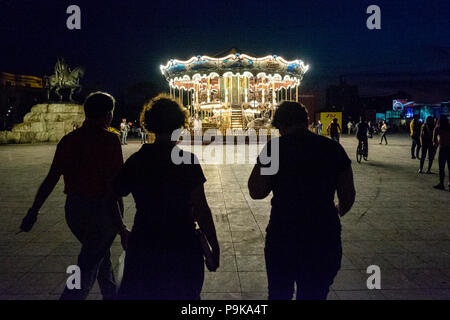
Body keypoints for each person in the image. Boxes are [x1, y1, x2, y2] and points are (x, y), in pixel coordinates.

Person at [19, 92, 128, 300]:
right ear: (108, 114)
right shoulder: (109, 141)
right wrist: (121, 226)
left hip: (74, 211)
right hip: (101, 212)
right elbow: (111, 187)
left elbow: (51, 178)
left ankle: (111, 294)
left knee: (98, 255)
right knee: (86, 265)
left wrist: (33, 211)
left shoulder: (69, 140)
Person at [248, 102, 355, 300]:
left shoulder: (276, 148)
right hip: (323, 234)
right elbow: (348, 195)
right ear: (306, 121)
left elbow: (256, 191)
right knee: (314, 294)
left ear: (281, 125)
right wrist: (334, 212)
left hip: (284, 232)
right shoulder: (333, 149)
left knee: (279, 293)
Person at [116, 95, 220, 300]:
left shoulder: (137, 160)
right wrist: (214, 245)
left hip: (144, 239)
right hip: (181, 240)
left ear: (149, 125)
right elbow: (201, 208)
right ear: (179, 125)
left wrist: (121, 229)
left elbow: (111, 194)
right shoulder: (187, 160)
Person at [433, 115, 450, 190]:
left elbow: (434, 140)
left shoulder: (438, 128)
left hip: (443, 148)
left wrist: (438, 143)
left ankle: (441, 183)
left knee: (441, 168)